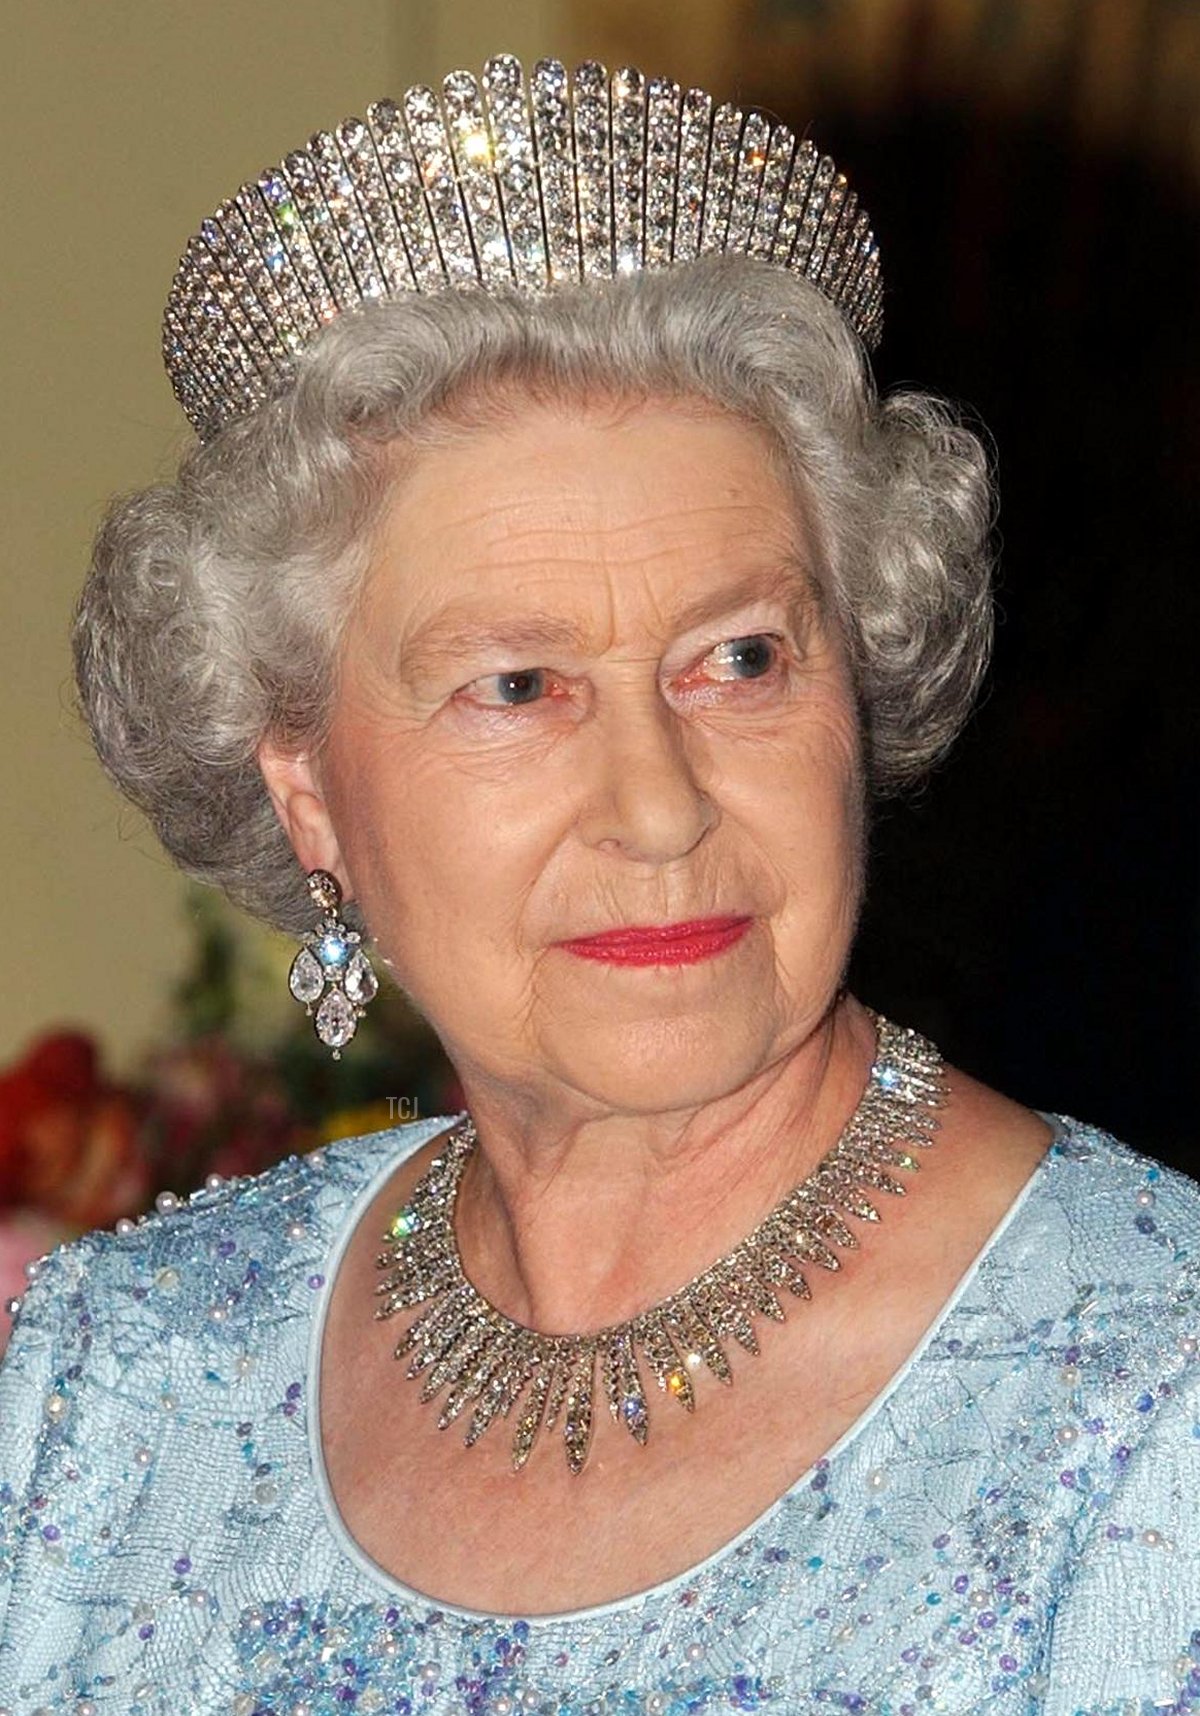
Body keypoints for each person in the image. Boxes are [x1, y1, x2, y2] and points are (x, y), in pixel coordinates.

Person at [1, 53, 1197, 1715]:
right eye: (516, 687)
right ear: (308, 792)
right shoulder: (113, 1386)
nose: (658, 806)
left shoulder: (1151, 1397)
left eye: (742, 657)